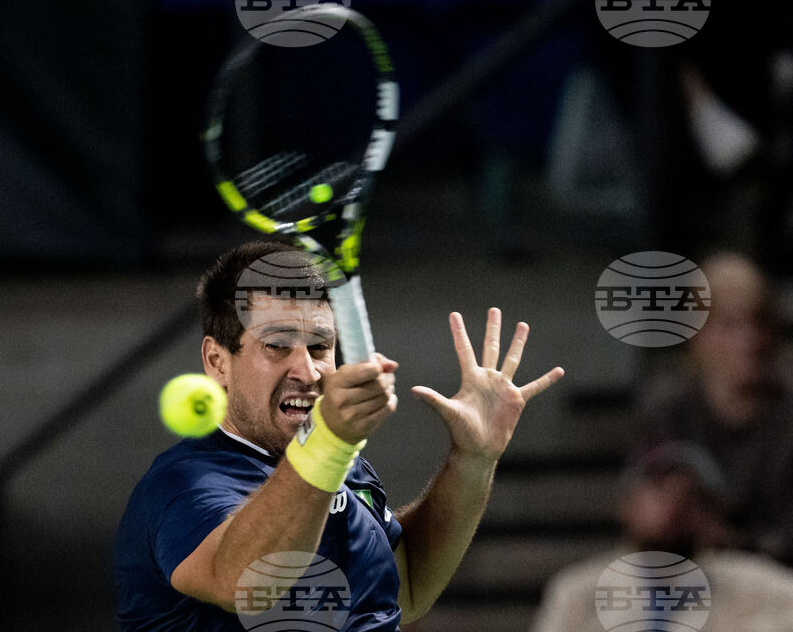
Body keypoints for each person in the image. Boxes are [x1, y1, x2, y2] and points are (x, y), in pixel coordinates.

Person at [113, 240, 564, 630]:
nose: (307, 371)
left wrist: (472, 459)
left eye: (319, 347)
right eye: (277, 345)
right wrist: (328, 442)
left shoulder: (344, 467)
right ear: (217, 361)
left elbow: (408, 591)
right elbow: (244, 582)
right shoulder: (182, 486)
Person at [532, 442, 793, 632]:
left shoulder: (752, 584)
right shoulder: (577, 593)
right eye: (659, 490)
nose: (674, 505)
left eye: (689, 495)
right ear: (627, 505)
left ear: (710, 514)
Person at [637, 251, 793, 564]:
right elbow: (642, 509)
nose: (750, 341)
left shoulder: (787, 418)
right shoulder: (669, 412)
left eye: (758, 322)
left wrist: (725, 539)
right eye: (731, 325)